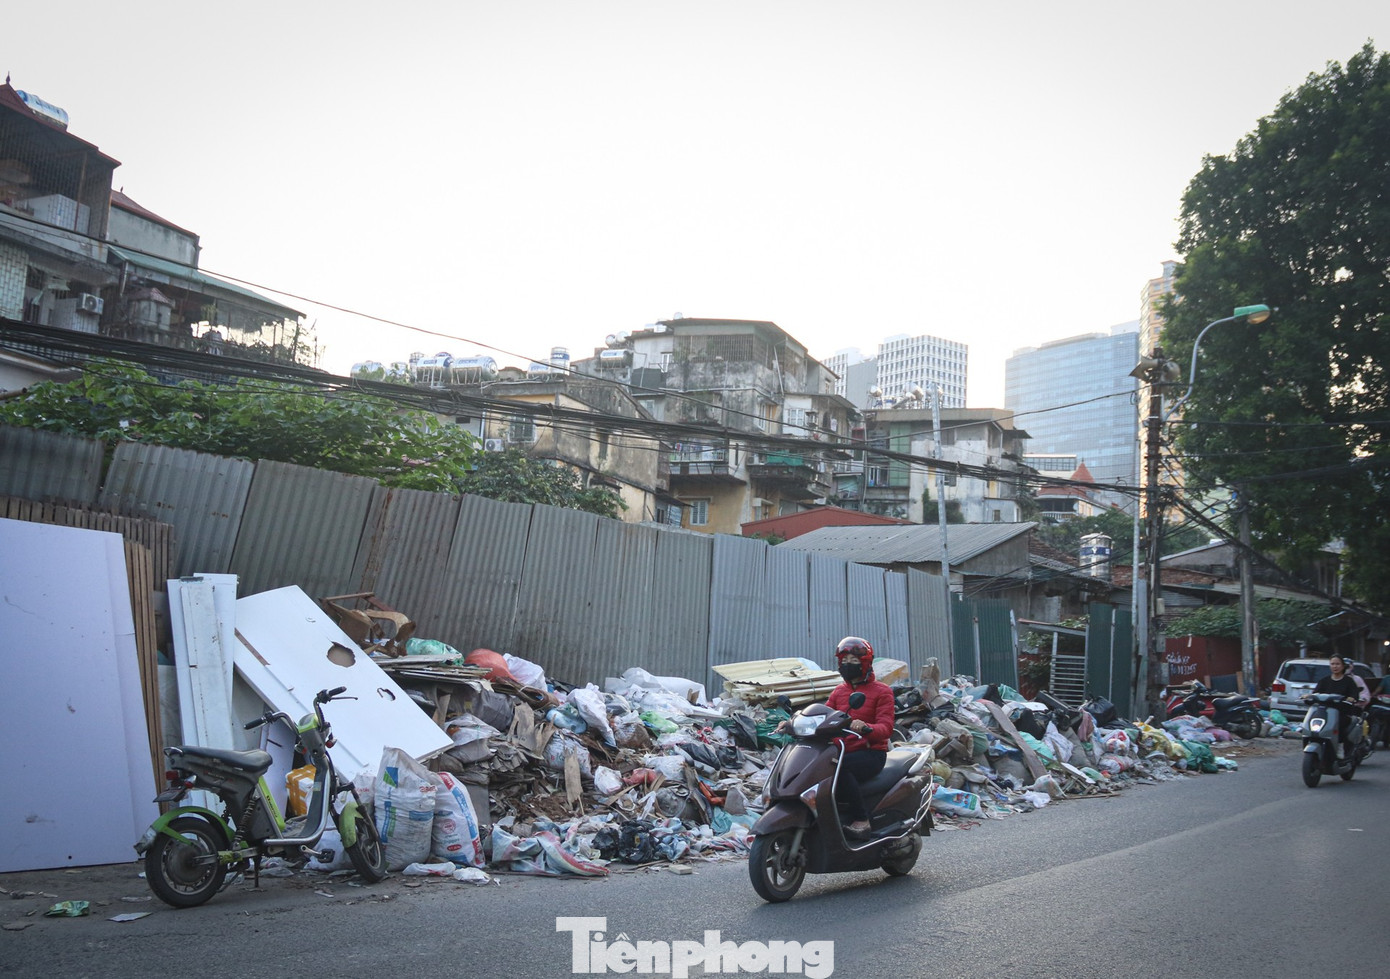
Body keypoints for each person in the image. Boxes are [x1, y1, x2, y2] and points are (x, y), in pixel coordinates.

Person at [778, 636, 895, 838]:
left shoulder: (882, 691)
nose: (848, 665)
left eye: (854, 661)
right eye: (845, 661)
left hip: (871, 753)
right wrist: (791, 723)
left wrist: (866, 727)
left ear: (865, 663)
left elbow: (886, 727)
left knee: (840, 769)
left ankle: (862, 819)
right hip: (840, 750)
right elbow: (822, 716)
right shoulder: (840, 691)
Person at [1312, 654, 1370, 757]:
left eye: (1337, 664)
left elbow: (1355, 695)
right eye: (1332, 664)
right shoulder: (1324, 681)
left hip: (1343, 713)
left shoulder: (1349, 681)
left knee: (1343, 727)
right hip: (1325, 712)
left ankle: (1342, 749)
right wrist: (1309, 697)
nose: (1335, 666)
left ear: (1343, 666)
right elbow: (1315, 694)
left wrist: (1351, 698)